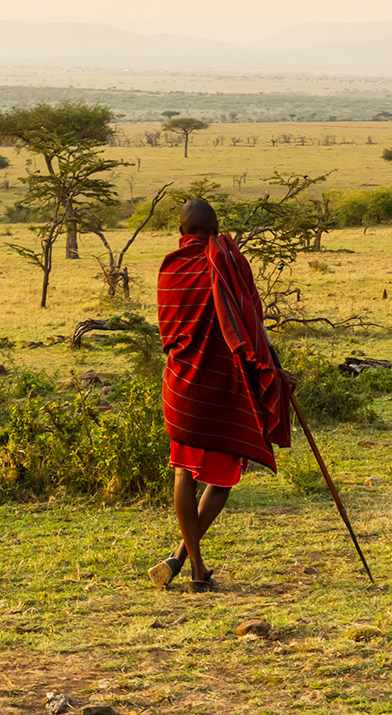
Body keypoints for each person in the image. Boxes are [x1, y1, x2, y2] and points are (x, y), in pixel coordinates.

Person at [149, 199, 292, 591]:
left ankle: (186, 561)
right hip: (220, 384)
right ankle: (194, 567)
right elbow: (248, 323)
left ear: (181, 232)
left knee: (184, 470)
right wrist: (272, 368)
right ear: (214, 229)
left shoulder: (169, 267)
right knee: (225, 477)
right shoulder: (224, 261)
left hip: (180, 384)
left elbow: (167, 330)